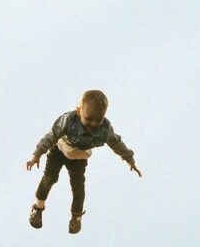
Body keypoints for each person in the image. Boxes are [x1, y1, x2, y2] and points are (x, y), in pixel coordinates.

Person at [26, 89, 142, 234]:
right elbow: (52, 136)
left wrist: (129, 159)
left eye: (98, 120)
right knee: (49, 178)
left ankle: (76, 217)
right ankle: (38, 207)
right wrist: (37, 154)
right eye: (88, 119)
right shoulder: (68, 120)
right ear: (78, 111)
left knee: (78, 187)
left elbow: (116, 143)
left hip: (78, 157)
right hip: (60, 150)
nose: (93, 124)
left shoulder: (105, 130)